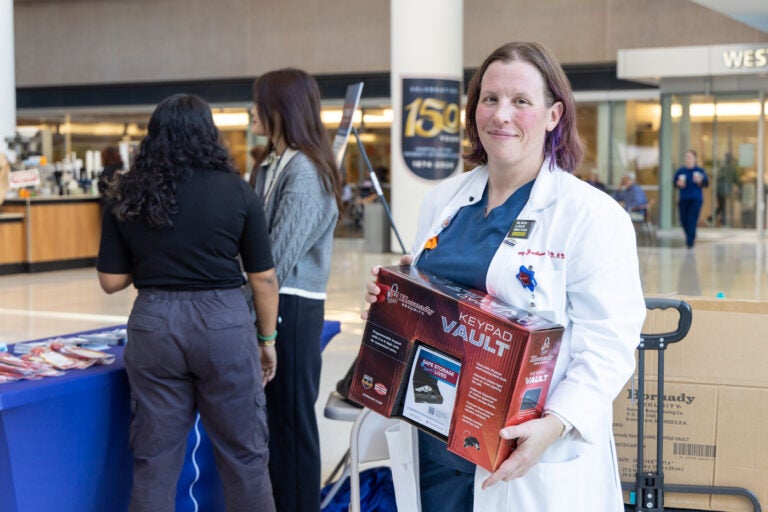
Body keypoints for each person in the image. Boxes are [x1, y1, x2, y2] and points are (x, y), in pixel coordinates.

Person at [363, 41, 645, 511]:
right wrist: (392, 297)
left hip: (526, 450)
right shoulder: (443, 200)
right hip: (434, 437)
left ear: (554, 115)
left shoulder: (590, 215)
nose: (501, 115)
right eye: (489, 99)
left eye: (521, 101)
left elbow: (610, 342)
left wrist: (556, 423)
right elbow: (429, 301)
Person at [96, 94, 279, 512]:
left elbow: (111, 281)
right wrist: (266, 339)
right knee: (245, 457)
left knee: (154, 460)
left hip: (154, 323)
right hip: (224, 323)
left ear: (152, 136)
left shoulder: (126, 192)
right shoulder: (238, 191)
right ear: (208, 135)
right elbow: (264, 278)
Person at [249, 68, 343, 512]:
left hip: (292, 307)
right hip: (273, 303)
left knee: (292, 425)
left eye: (259, 103)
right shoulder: (270, 163)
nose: (253, 111)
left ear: (280, 109)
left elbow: (276, 258)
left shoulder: (305, 170)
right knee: (275, 426)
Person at [674, 149, 709, 248]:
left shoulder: (700, 171)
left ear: (695, 159)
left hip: (695, 199)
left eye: (690, 157)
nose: (688, 159)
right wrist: (678, 184)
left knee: (692, 219)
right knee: (683, 220)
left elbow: (706, 184)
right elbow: (675, 183)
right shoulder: (681, 171)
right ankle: (691, 235)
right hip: (684, 199)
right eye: (687, 157)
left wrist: (700, 181)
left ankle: (690, 241)